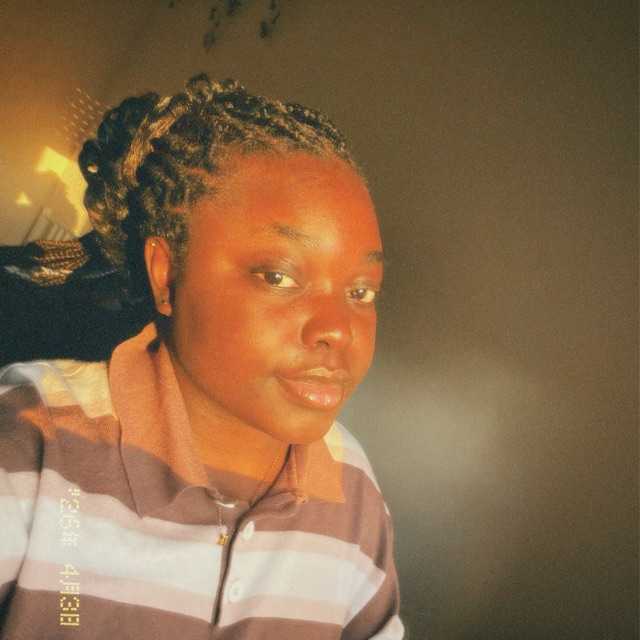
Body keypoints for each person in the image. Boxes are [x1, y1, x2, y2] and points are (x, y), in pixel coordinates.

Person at [0, 74, 404, 639]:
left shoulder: (353, 489)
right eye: (279, 276)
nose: (338, 330)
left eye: (361, 291)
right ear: (166, 275)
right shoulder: (30, 447)